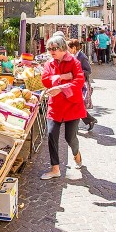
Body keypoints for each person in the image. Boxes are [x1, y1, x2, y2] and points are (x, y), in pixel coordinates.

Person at [40, 36, 86, 179]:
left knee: (70, 137)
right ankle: (55, 169)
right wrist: (62, 77)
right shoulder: (49, 63)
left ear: (62, 48)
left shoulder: (74, 62)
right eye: (49, 49)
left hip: (72, 105)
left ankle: (76, 153)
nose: (51, 51)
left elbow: (79, 81)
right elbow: (45, 79)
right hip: (55, 106)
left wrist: (60, 88)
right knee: (51, 134)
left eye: (54, 48)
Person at [68, 39, 98, 131]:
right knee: (75, 105)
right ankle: (89, 120)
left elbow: (88, 71)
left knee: (75, 105)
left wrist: (76, 72)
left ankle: (77, 125)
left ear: (74, 48)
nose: (68, 50)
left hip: (82, 84)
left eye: (69, 48)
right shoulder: (74, 56)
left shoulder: (82, 57)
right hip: (76, 83)